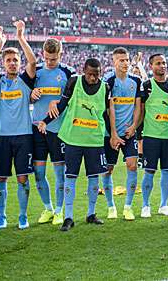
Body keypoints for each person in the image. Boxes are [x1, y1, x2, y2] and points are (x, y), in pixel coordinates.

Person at [38, 57, 122, 231]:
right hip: (73, 139)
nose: (93, 78)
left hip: (94, 140)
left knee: (94, 177)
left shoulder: (105, 87)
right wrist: (45, 121)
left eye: (97, 74)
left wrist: (113, 135)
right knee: (71, 177)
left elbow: (107, 113)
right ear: (84, 71)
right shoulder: (74, 82)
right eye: (91, 74)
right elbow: (62, 105)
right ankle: (68, 217)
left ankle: (91, 214)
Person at [0, 24, 36, 230]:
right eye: (9, 61)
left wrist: (20, 38)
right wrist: (1, 43)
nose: (13, 63)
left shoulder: (25, 81)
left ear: (19, 63)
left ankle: (23, 216)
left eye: (15, 60)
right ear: (4, 64)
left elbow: (33, 62)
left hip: (24, 136)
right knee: (1, 177)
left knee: (23, 178)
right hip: (2, 137)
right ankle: (2, 216)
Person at [30, 37, 75, 225]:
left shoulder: (68, 72)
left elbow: (70, 101)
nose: (49, 62)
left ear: (60, 55)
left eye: (53, 59)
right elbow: (25, 95)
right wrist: (31, 95)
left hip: (59, 131)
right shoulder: (35, 72)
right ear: (43, 54)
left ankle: (59, 210)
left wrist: (56, 101)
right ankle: (48, 208)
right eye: (47, 58)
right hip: (37, 130)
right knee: (38, 173)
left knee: (59, 174)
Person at [102, 47, 143, 221]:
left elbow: (138, 106)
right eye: (121, 60)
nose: (125, 63)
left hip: (128, 133)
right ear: (114, 62)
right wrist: (113, 134)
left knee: (132, 166)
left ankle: (128, 207)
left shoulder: (136, 80)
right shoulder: (108, 80)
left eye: (127, 60)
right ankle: (111, 207)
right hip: (110, 134)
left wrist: (134, 126)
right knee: (108, 170)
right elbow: (106, 109)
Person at [140, 53, 168, 218]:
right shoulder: (146, 85)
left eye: (164, 63)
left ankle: (164, 205)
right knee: (149, 171)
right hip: (151, 135)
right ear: (151, 66)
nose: (162, 66)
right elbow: (141, 111)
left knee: (167, 171)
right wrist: (138, 133)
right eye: (158, 63)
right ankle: (145, 205)